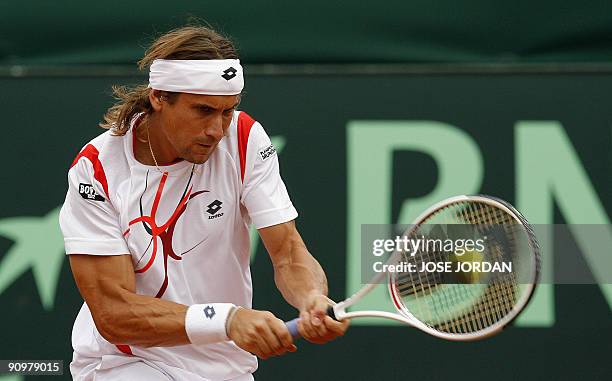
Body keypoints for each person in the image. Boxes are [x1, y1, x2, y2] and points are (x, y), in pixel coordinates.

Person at [59, 25, 348, 381]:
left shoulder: (244, 140)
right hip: (127, 364)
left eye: (227, 111)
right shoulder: (97, 168)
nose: (217, 129)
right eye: (203, 110)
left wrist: (311, 299)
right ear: (159, 97)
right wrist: (227, 320)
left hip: (225, 366)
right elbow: (114, 313)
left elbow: (288, 251)